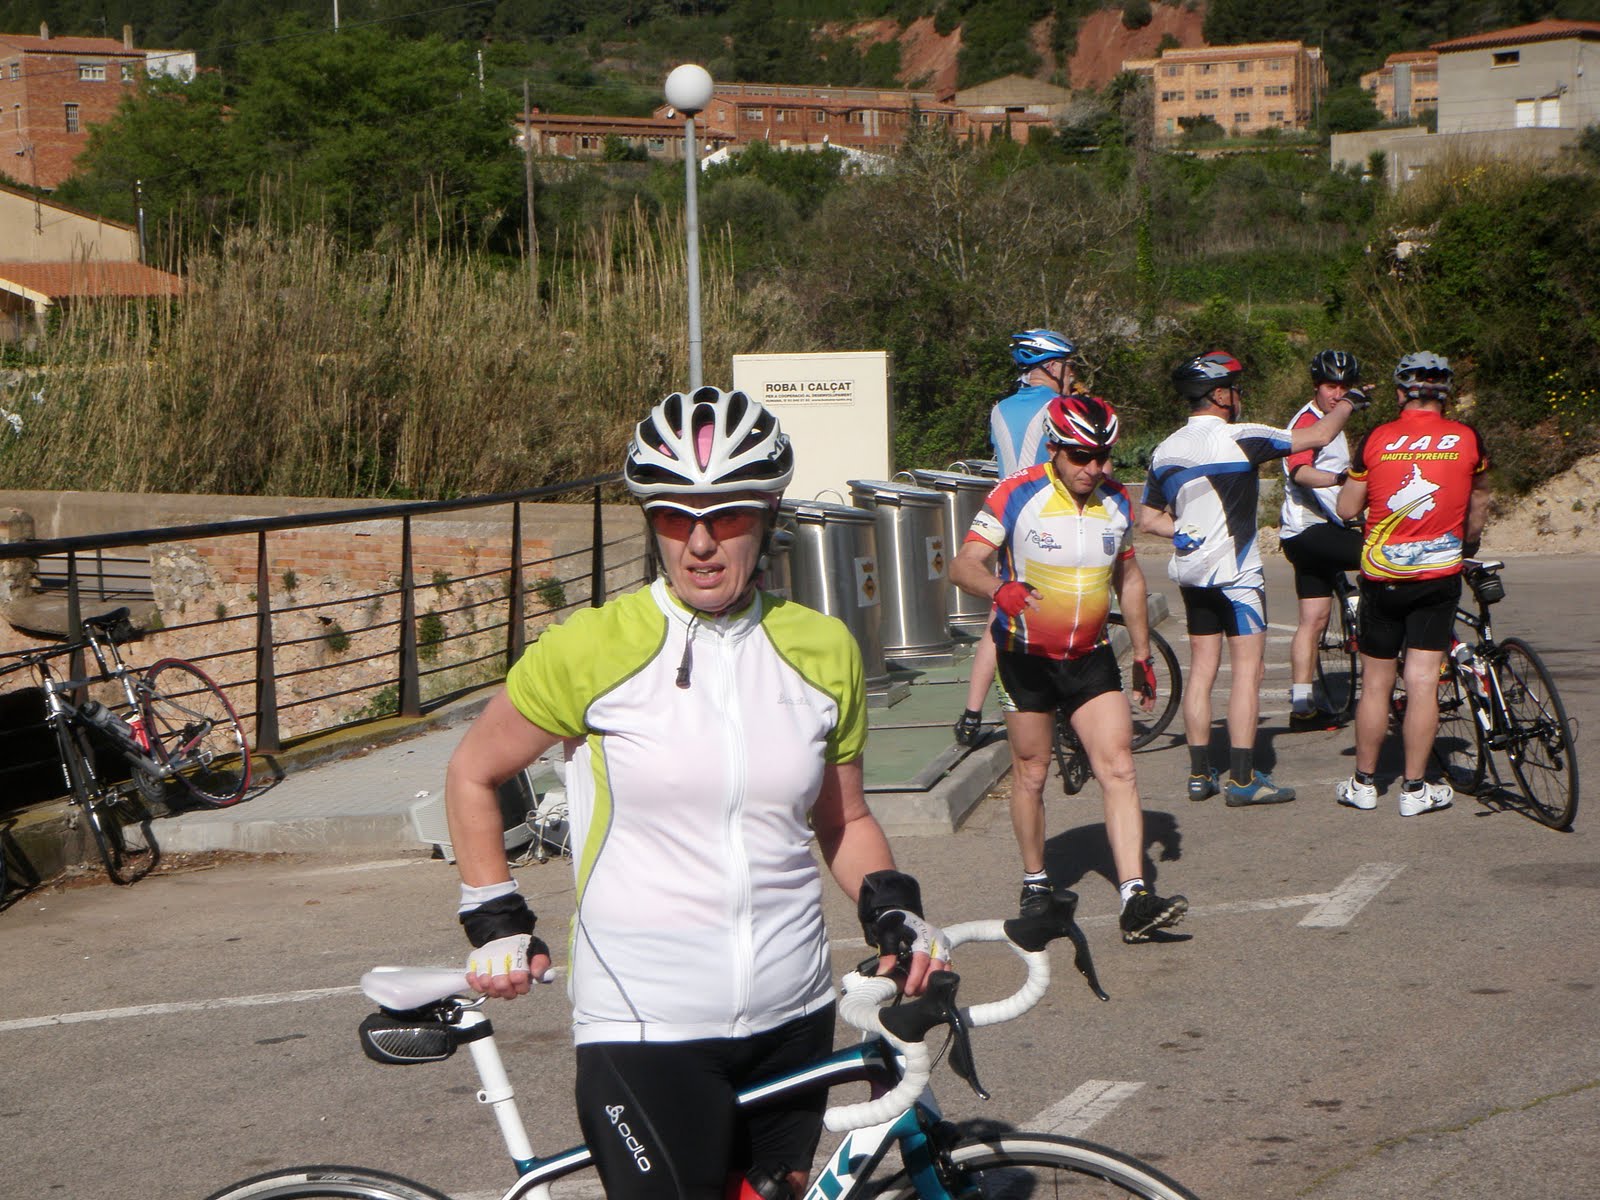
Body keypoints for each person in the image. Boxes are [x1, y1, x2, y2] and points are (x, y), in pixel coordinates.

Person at [444, 386, 950, 1200]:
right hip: (646, 1023)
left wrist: (891, 906)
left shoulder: (823, 649)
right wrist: (494, 917)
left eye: (729, 515)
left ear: (769, 515)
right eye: (676, 518)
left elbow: (845, 817)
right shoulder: (592, 648)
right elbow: (473, 771)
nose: (702, 542)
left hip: (794, 1012)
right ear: (652, 523)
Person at [950, 394, 1188, 944]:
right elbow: (962, 565)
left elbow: (1129, 578)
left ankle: (1135, 897)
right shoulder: (1015, 494)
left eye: (1103, 456)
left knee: (1120, 768)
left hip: (1089, 655)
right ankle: (1036, 881)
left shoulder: (1116, 500)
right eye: (1081, 456)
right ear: (1054, 449)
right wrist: (998, 588)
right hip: (1026, 657)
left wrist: (1143, 653)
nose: (1094, 468)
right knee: (1031, 774)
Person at [1138, 350, 1363, 807]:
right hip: (1238, 577)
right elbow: (1319, 434)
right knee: (1247, 672)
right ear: (1220, 395)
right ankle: (1242, 779)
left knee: (1203, 671)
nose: (1238, 397)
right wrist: (1350, 402)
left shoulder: (1165, 449)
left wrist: (1183, 531)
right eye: (1235, 390)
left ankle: (1199, 774)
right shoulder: (1242, 436)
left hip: (1193, 574)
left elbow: (1147, 519)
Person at [1334, 352, 1491, 816]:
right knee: (1422, 681)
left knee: (1376, 683)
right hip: (1439, 573)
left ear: (1402, 393)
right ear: (1446, 393)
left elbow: (1346, 508)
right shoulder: (1467, 438)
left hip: (1383, 575)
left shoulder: (1377, 438)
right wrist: (1468, 543)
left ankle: (1364, 785)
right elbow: (1479, 503)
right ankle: (1416, 790)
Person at [955, 329, 1079, 748]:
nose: (1072, 373)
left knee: (1000, 615)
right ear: (1052, 366)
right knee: (1063, 613)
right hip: (1049, 517)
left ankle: (971, 715)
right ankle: (1064, 709)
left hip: (1007, 518)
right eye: (1068, 365)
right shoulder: (1061, 408)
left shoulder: (999, 409)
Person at [1279, 350, 1367, 730]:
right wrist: (1339, 479)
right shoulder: (1308, 422)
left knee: (1313, 620)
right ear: (1317, 385)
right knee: (1383, 558)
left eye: (1345, 387)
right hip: (1309, 530)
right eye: (1331, 386)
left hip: (1310, 532)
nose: (1338, 394)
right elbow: (1300, 472)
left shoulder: (1333, 421)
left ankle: (1302, 708)